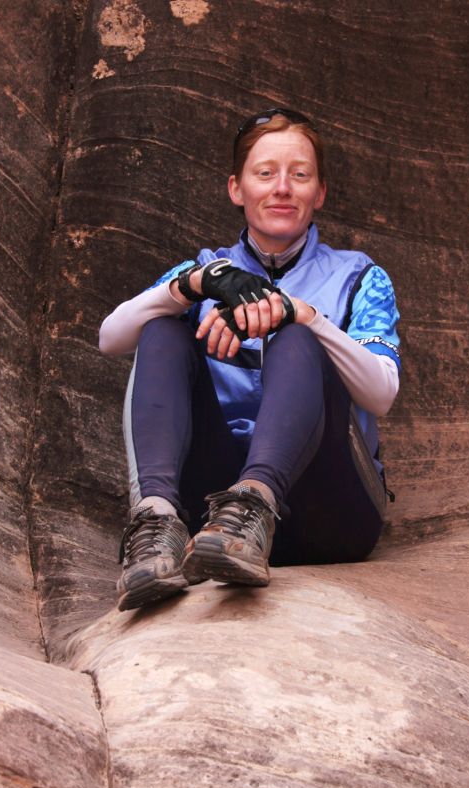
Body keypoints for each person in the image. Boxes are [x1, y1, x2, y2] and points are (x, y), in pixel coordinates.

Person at [99, 108, 401, 612]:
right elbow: (111, 338)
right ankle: (155, 524)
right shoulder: (204, 270)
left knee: (297, 338)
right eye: (265, 173)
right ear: (236, 189)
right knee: (162, 328)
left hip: (328, 511)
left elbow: (382, 393)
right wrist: (192, 285)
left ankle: (257, 501)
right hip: (211, 521)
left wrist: (303, 315)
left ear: (319, 192)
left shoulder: (359, 276)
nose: (282, 188)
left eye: (299, 175)